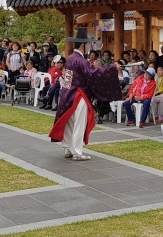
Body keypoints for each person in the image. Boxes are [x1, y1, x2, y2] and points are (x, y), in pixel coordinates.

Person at [48, 28, 121, 161]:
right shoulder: (81, 60)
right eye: (88, 45)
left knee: (69, 121)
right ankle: (77, 152)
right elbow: (94, 73)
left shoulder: (70, 58)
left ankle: (68, 148)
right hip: (79, 94)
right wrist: (111, 68)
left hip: (68, 92)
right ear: (83, 45)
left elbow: (71, 77)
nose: (89, 47)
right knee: (79, 123)